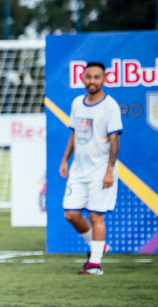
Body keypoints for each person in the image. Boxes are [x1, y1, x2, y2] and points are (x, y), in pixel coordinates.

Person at [59, 61, 121, 275]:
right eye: (89, 77)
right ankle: (99, 246)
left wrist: (110, 170)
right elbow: (75, 133)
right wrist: (65, 159)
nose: (92, 81)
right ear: (83, 79)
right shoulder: (77, 103)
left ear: (104, 79)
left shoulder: (110, 105)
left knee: (96, 216)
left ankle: (95, 264)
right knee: (71, 214)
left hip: (101, 170)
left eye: (97, 77)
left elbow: (114, 139)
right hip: (78, 170)